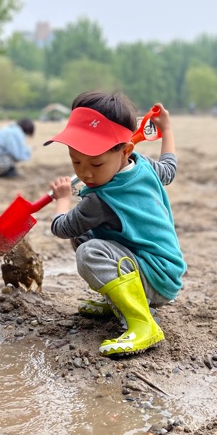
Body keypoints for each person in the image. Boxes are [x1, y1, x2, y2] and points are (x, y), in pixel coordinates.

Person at [44, 91, 186, 357]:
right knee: (86, 236)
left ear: (125, 151)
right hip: (166, 269)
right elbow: (169, 168)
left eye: (96, 163)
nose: (85, 173)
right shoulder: (142, 165)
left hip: (156, 278)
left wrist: (63, 199)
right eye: (76, 161)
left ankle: (142, 322)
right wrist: (166, 129)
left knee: (89, 252)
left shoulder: (99, 200)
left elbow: (61, 227)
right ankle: (119, 301)